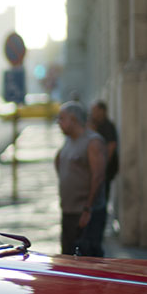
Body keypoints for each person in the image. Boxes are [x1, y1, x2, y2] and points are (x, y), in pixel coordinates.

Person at [55, 101, 107, 256]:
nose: (59, 122)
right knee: (68, 258)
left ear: (73, 119)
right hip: (69, 211)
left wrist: (87, 209)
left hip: (86, 214)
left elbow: (98, 176)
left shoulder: (93, 142)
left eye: (62, 118)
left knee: (88, 258)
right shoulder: (69, 140)